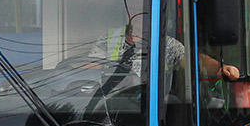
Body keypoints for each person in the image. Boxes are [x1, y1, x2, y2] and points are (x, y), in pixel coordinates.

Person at [92, 12, 240, 81]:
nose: (138, 16)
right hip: (111, 104)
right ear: (126, 14)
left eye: (143, 11)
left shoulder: (166, 43)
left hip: (151, 108)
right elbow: (91, 65)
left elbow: (193, 62)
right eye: (134, 10)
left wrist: (222, 68)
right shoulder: (110, 37)